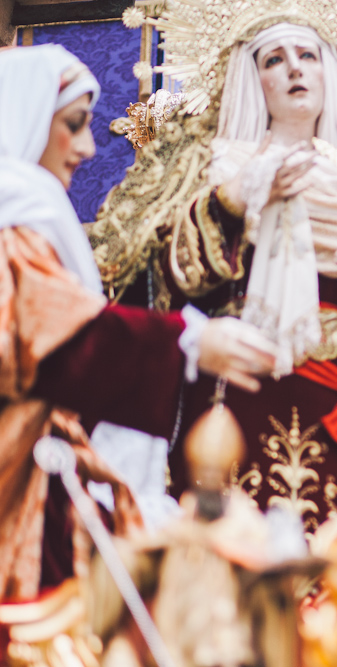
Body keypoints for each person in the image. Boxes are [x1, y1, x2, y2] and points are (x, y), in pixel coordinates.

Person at [90, 2, 337, 562]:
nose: (295, 69)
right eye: (274, 59)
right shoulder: (216, 169)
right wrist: (232, 204)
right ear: (249, 78)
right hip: (232, 398)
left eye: (308, 55)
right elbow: (149, 281)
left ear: (333, 70)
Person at [0, 44, 276, 602]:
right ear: (23, 115)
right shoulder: (16, 220)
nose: (85, 147)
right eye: (72, 125)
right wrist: (191, 343)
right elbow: (54, 341)